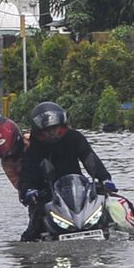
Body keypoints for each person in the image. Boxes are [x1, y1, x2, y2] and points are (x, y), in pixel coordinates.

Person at [15, 101, 117, 242]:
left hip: (79, 193)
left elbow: (89, 157)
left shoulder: (74, 138)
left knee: (115, 212)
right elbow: (26, 176)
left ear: (61, 125)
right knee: (31, 234)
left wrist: (105, 179)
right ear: (39, 131)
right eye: (47, 130)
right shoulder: (34, 149)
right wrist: (29, 191)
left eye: (54, 128)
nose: (52, 132)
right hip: (48, 197)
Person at [0, 115, 30, 190]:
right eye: (8, 157)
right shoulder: (7, 162)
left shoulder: (32, 141)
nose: (11, 157)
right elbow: (17, 184)